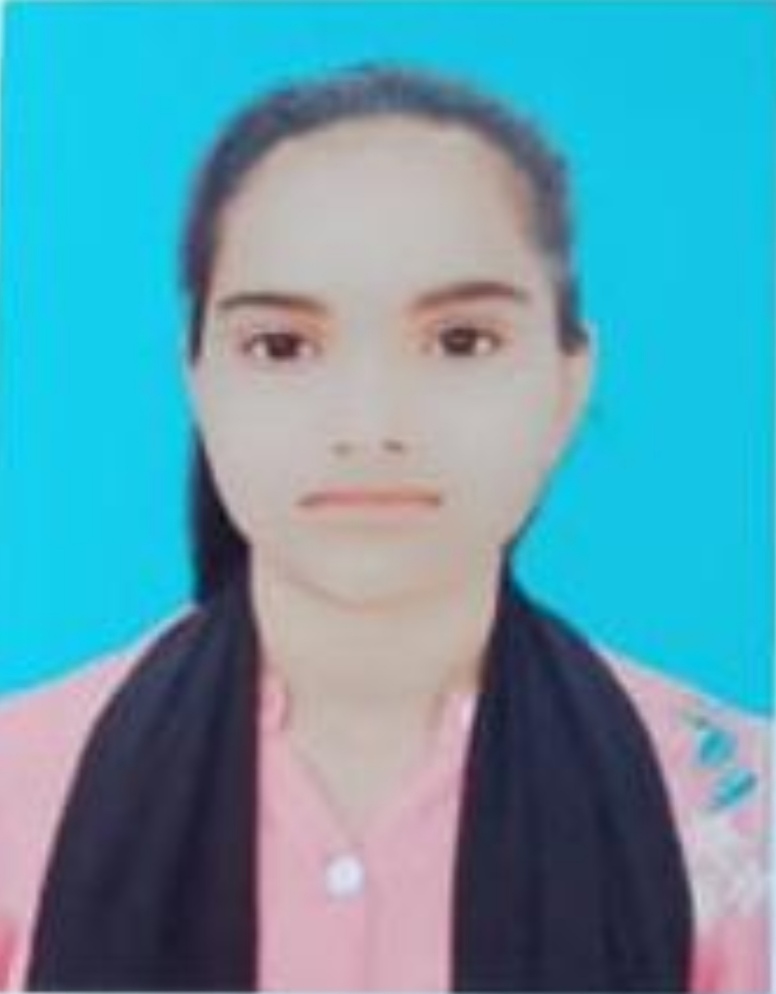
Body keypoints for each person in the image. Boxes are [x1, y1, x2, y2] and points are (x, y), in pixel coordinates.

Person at [0, 64, 768, 992]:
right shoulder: (17, 792)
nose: (370, 426)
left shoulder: (739, 816)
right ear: (197, 378)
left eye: (461, 341)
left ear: (569, 382)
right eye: (282, 346)